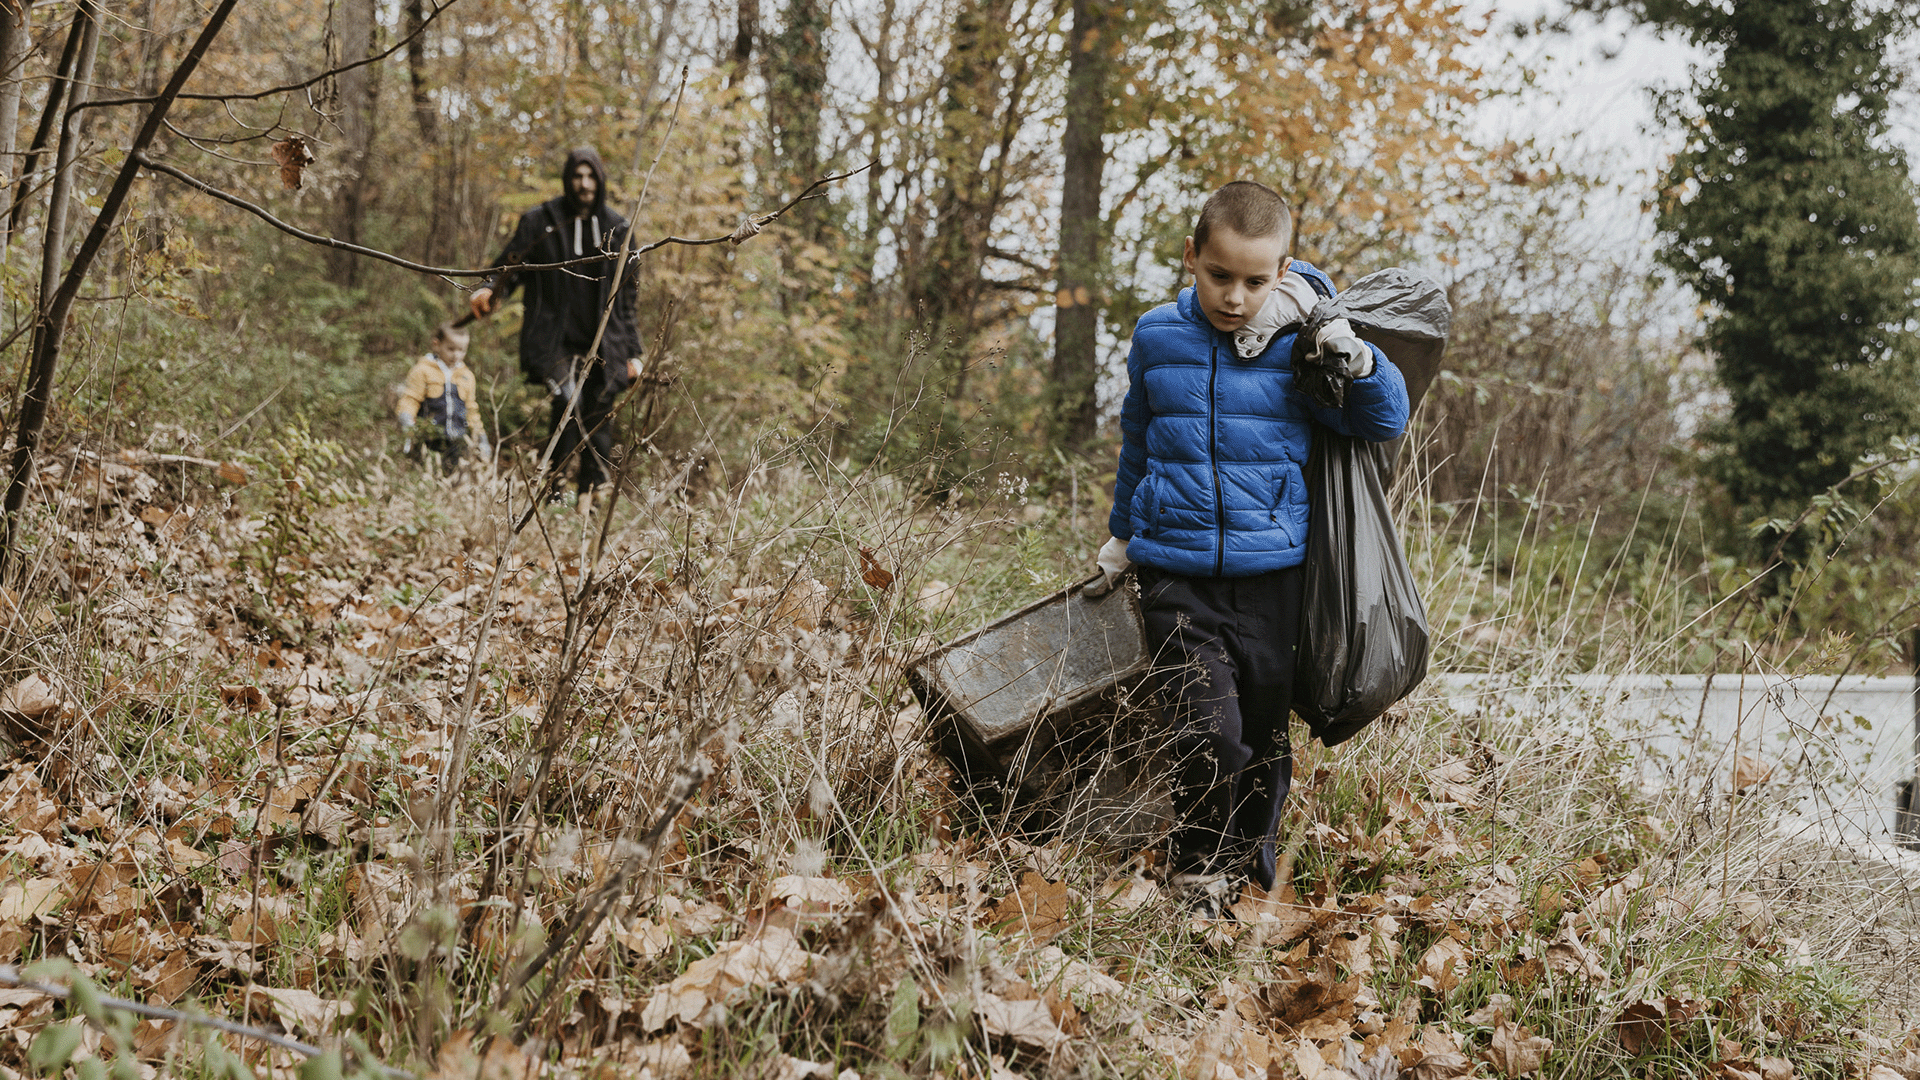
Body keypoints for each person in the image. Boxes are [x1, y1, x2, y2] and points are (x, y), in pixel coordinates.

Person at [1087, 181, 1408, 917]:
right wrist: (1122, 536)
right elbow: (1141, 440)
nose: (1236, 297)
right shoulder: (1156, 337)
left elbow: (1385, 419)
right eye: (1220, 275)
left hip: (1276, 577)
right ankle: (1198, 873)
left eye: (1256, 281)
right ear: (1192, 258)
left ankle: (1250, 868)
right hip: (1175, 570)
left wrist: (1354, 358)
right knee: (1208, 728)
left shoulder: (1304, 339)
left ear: (1284, 270)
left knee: (1262, 739)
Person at [467, 146, 642, 506]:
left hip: (603, 342)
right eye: (578, 176)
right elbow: (511, 264)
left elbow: (627, 300)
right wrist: (488, 287)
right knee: (566, 400)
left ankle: (591, 498)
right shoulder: (541, 221)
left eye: (590, 176)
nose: (584, 183)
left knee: (598, 416)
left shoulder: (619, 228)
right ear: (567, 179)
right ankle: (553, 492)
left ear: (600, 180)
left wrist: (634, 352)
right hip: (553, 341)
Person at [396, 322, 487, 475]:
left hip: (457, 439)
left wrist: (481, 437)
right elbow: (411, 399)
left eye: (462, 350)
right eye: (451, 349)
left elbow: (471, 409)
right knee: (425, 474)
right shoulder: (422, 370)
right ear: (436, 345)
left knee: (454, 476)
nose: (456, 355)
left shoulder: (467, 376)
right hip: (429, 438)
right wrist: (406, 418)